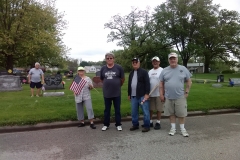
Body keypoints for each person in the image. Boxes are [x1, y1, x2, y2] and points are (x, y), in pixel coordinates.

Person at [160, 52, 192, 137]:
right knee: (171, 114)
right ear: (168, 60)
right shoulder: (164, 70)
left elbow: (189, 81)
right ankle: (173, 128)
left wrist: (187, 91)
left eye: (174, 58)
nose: (172, 60)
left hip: (180, 96)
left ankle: (182, 129)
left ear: (177, 59)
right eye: (171, 59)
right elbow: (161, 83)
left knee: (181, 114)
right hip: (168, 96)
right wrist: (161, 95)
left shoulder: (183, 69)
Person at [100, 53, 125, 131]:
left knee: (117, 109)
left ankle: (118, 124)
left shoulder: (119, 67)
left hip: (116, 93)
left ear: (113, 59)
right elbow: (102, 79)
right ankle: (106, 124)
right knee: (107, 110)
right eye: (108, 58)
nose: (109, 59)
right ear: (105, 59)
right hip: (107, 93)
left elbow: (123, 79)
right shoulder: (103, 68)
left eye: (111, 58)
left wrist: (118, 85)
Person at [128, 57, 151, 132]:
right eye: (133, 62)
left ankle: (147, 125)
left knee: (145, 111)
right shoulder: (131, 73)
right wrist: (129, 94)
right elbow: (129, 84)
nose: (134, 63)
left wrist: (147, 93)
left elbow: (147, 83)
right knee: (134, 112)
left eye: (136, 62)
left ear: (139, 63)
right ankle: (135, 124)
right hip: (133, 96)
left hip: (142, 95)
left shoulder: (144, 72)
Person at [147, 56, 164, 130]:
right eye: (153, 61)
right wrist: (147, 93)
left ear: (159, 62)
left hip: (159, 93)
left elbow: (164, 82)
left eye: (156, 61)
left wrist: (163, 93)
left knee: (159, 109)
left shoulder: (162, 70)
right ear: (152, 63)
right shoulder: (150, 71)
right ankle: (150, 122)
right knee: (150, 108)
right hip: (151, 93)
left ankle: (158, 122)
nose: (155, 62)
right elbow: (147, 82)